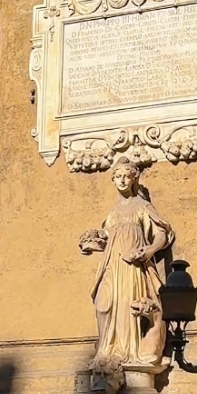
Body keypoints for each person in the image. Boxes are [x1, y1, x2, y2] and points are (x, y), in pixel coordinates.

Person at [78, 159, 175, 372]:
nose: (122, 180)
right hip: (111, 266)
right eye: (118, 176)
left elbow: (161, 233)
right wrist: (92, 242)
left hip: (132, 268)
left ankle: (130, 352)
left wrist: (149, 250)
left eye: (126, 176)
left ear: (134, 179)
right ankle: (106, 349)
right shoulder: (113, 212)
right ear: (113, 180)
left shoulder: (142, 207)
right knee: (103, 304)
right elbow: (108, 238)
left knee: (129, 308)